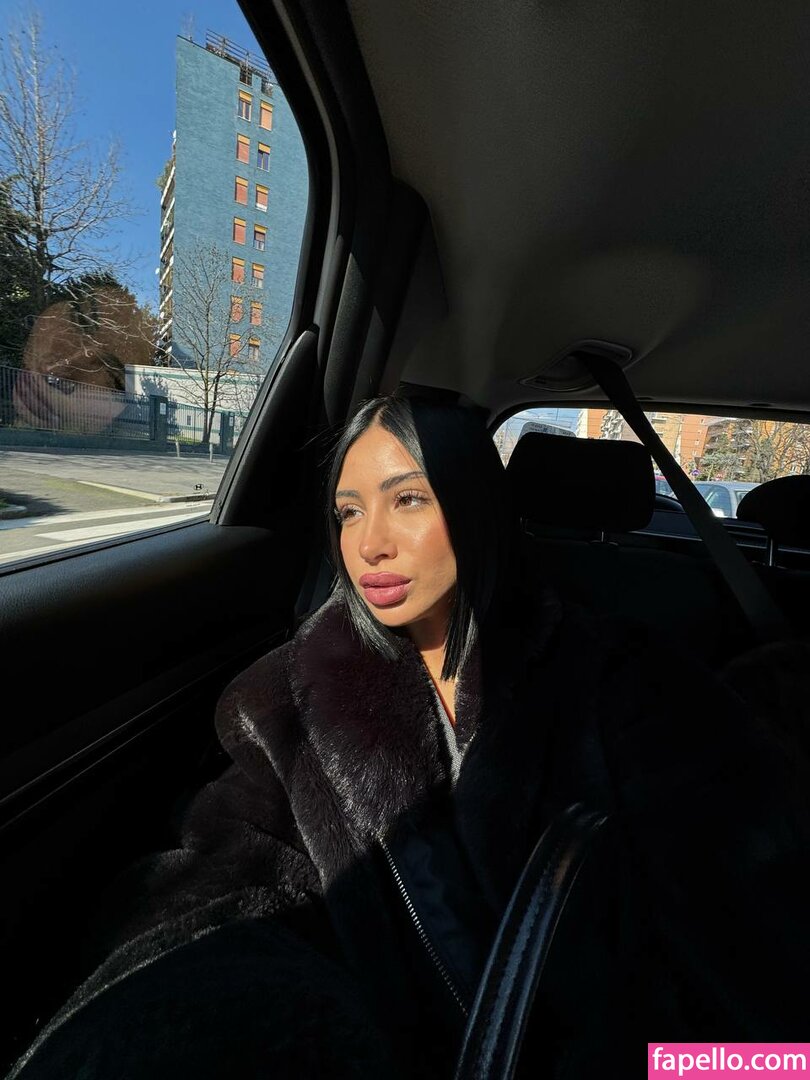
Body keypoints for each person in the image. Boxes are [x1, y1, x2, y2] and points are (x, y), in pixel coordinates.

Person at [8, 395, 809, 1079]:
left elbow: (756, 965)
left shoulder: (633, 682)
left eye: (409, 499)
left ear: (475, 507)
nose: (370, 543)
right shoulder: (286, 698)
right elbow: (222, 888)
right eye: (349, 511)